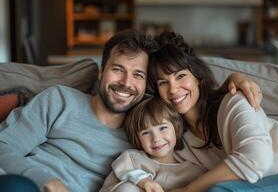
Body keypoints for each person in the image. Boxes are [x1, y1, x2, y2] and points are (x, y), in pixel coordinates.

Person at [0, 29, 262, 192]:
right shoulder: (58, 100)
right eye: (118, 69)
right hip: (24, 183)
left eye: (138, 74)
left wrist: (232, 82)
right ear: (102, 72)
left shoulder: (146, 135)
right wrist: (45, 179)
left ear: (146, 85)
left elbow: (192, 94)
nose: (126, 83)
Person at [148, 31, 278, 192]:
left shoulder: (234, 101)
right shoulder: (177, 140)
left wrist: (188, 190)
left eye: (180, 76)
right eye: (163, 82)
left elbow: (257, 159)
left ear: (197, 76)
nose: (173, 89)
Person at [100, 97, 206, 192]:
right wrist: (144, 181)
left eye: (163, 128)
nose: (156, 139)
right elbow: (123, 167)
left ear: (176, 128)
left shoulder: (193, 172)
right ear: (138, 138)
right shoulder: (132, 158)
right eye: (145, 133)